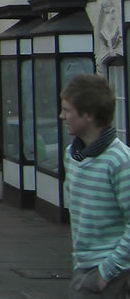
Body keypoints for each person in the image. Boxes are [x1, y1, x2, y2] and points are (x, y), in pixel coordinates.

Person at [61, 73, 130, 298]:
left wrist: (106, 273)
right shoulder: (72, 156)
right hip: (82, 269)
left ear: (88, 114)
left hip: (112, 276)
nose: (62, 116)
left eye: (68, 110)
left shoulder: (120, 160)